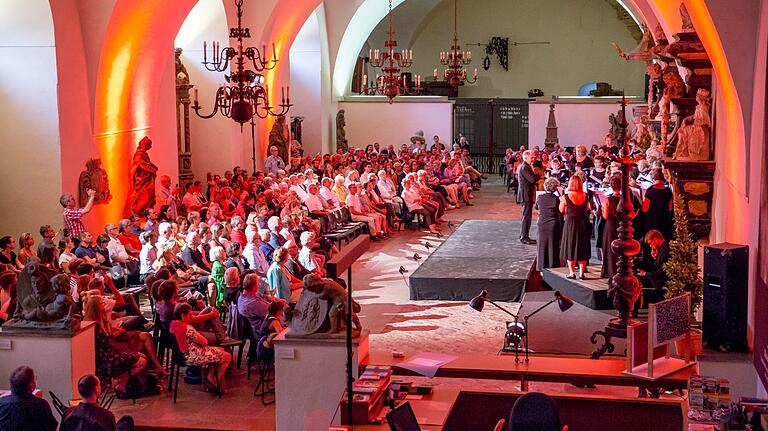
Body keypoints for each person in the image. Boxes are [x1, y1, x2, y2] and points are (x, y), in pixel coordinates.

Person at [170, 303, 232, 394]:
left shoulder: (174, 325)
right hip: (194, 356)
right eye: (189, 314)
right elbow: (204, 342)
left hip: (186, 354)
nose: (191, 317)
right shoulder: (187, 328)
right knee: (227, 356)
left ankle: (210, 382)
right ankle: (213, 379)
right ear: (183, 316)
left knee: (221, 350)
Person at [60, 374, 135, 431]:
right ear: (96, 389)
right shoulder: (106, 416)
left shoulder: (68, 414)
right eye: (99, 384)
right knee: (127, 420)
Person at [0, 366, 58, 431]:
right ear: (31, 386)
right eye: (34, 379)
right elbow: (52, 428)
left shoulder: (1, 404)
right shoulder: (42, 405)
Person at [559, 175, 591, 279]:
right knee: (582, 247)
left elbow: (561, 210)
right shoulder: (585, 196)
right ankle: (582, 273)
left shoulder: (566, 196)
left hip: (570, 223)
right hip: (582, 223)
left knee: (570, 246)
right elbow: (587, 209)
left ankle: (572, 273)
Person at [535, 178, 563, 271]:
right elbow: (559, 212)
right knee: (552, 247)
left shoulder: (540, 197)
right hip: (552, 225)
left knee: (542, 247)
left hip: (542, 224)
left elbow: (536, 207)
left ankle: (541, 268)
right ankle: (552, 268)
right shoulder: (556, 199)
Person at [642, 168, 673, 240]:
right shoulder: (668, 191)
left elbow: (645, 209)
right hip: (664, 221)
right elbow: (670, 207)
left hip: (652, 221)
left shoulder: (650, 190)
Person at [636, 229, 670, 293]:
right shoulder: (662, 248)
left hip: (662, 281)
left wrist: (646, 274)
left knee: (637, 281)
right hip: (659, 278)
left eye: (650, 243)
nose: (650, 246)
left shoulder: (665, 249)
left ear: (655, 239)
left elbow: (662, 272)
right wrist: (655, 257)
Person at [517, 150, 537, 245]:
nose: (533, 159)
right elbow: (532, 179)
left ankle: (524, 235)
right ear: (526, 157)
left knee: (527, 216)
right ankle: (524, 237)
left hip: (526, 194)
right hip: (526, 195)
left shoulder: (526, 166)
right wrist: (537, 174)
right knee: (526, 216)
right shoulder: (525, 167)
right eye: (531, 157)